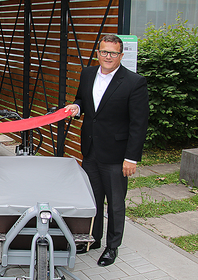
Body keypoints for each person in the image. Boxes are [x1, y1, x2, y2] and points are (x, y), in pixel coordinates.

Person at [65, 34, 149, 266]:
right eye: (104, 52)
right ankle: (93, 239)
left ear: (121, 55)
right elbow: (82, 100)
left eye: (113, 53)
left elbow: (138, 124)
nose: (107, 57)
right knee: (92, 199)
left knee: (115, 203)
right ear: (98, 53)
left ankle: (112, 247)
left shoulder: (134, 82)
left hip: (117, 155)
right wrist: (77, 107)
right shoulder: (87, 73)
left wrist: (131, 158)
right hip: (91, 150)